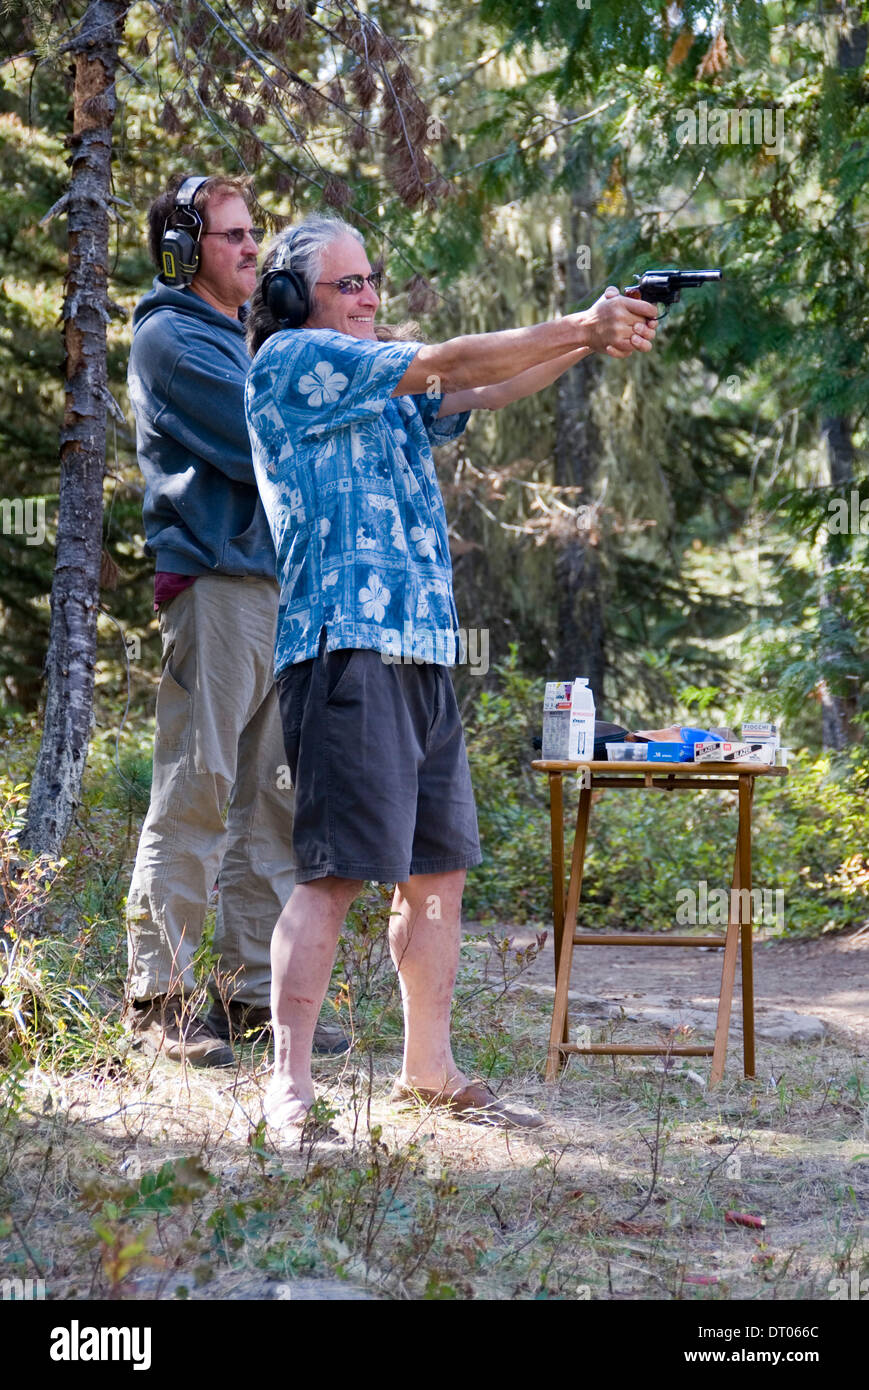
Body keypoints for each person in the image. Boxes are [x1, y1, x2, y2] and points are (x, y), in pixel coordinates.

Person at [244, 215, 657, 1135]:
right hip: (345, 648)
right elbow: (452, 359)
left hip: (421, 649)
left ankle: (427, 1069)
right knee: (333, 876)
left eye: (370, 280)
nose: (368, 296)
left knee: (436, 876)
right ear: (290, 298)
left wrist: (589, 341)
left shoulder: (382, 377)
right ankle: (290, 1089)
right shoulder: (294, 364)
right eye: (347, 284)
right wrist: (584, 323)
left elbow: (493, 380)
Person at [125, 177, 347, 1066]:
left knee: (272, 804)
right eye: (231, 236)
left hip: (278, 588)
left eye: (255, 234)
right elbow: (269, 433)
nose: (253, 249)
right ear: (184, 252)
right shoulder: (172, 336)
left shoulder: (248, 335)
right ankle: (162, 998)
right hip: (218, 586)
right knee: (198, 787)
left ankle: (250, 995)